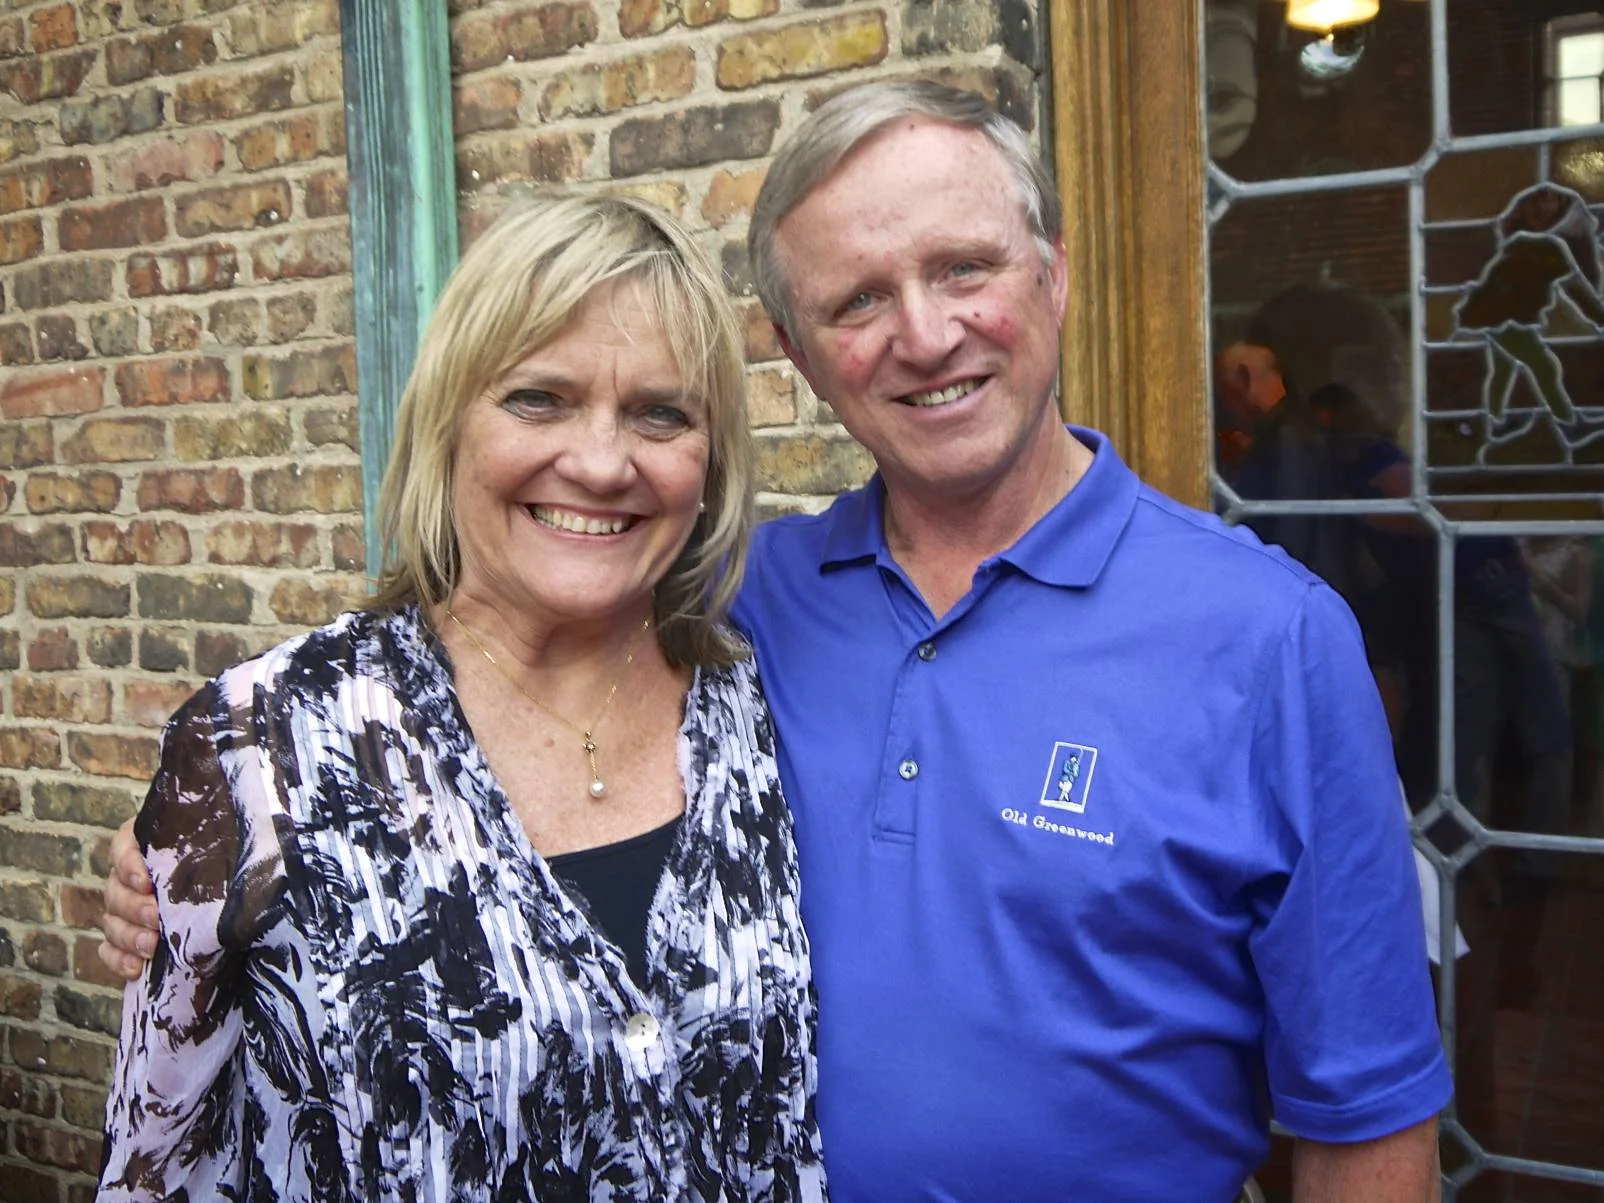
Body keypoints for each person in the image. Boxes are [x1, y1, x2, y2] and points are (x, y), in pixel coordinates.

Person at [103, 82, 1450, 1201]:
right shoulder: (735, 607)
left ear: (1051, 276)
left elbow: (1366, 1115)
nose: (924, 333)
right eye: (856, 300)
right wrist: (198, 853)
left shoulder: (1270, 639)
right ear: (799, 354)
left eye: (964, 268)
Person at [95, 193, 826, 1201]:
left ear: (711, 461)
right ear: (449, 421)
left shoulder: (760, 699)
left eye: (661, 413)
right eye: (539, 399)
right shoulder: (265, 746)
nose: (601, 462)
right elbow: (158, 1152)